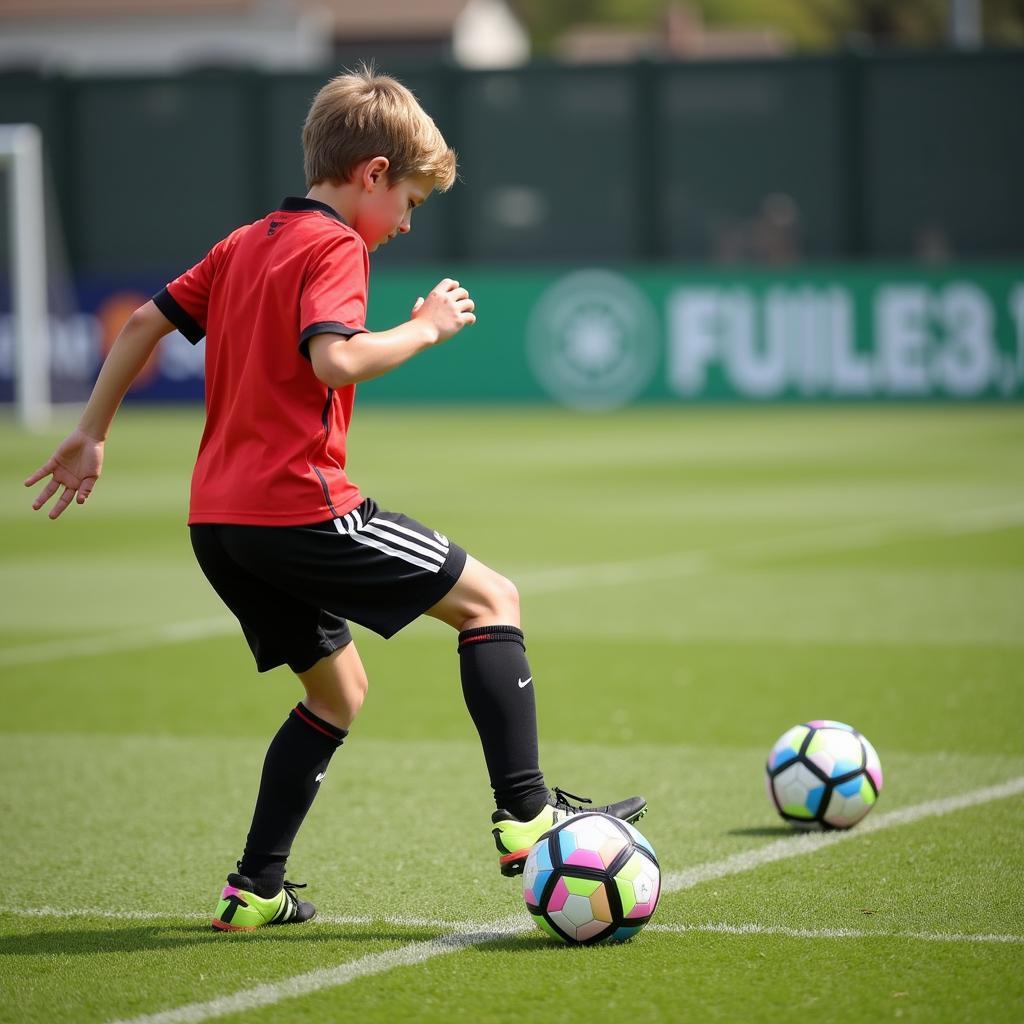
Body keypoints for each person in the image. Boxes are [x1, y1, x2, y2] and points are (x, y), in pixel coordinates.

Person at [24, 66, 646, 932]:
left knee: (337, 694)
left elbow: (139, 325)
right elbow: (337, 359)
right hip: (300, 508)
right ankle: (528, 814)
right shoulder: (334, 246)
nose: (405, 224)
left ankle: (254, 889)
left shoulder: (246, 240)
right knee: (493, 601)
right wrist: (425, 326)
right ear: (374, 174)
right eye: (412, 202)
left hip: (219, 523)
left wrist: (92, 432)